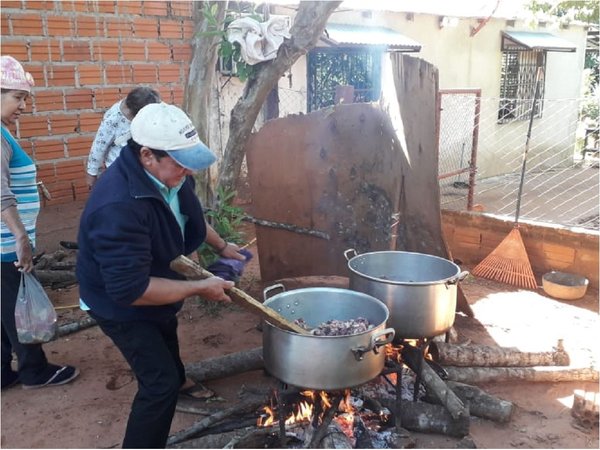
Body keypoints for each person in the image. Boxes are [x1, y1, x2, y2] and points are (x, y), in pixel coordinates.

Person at [76, 102, 247, 448]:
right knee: (158, 384)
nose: (189, 172)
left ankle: (179, 380)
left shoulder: (168, 175)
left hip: (154, 280)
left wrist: (221, 244)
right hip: (119, 303)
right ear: (147, 156)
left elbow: (189, 211)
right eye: (181, 163)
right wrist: (200, 287)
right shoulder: (118, 206)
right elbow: (131, 290)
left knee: (166, 327)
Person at [1, 55, 80, 390]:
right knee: (17, 308)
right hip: (6, 244)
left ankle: (3, 372)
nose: (23, 106)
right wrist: (20, 236)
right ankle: (35, 370)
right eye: (17, 97)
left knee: (4, 308)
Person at [85, 86, 160, 188]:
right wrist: (92, 173)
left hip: (139, 166)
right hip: (118, 167)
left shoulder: (147, 106)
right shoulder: (113, 119)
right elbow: (99, 146)